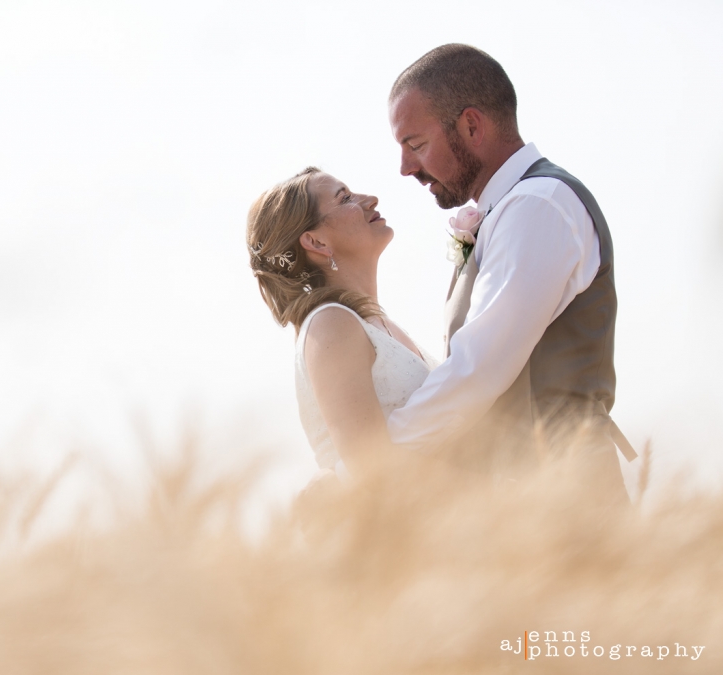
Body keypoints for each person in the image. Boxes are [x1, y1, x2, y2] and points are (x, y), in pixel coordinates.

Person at [386, 44, 634, 500]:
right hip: (524, 502)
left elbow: (478, 367)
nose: (405, 168)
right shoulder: (511, 208)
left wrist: (373, 460)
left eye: (415, 145)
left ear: (472, 126)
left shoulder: (536, 205)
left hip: (563, 497)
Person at [246, 168, 434, 478]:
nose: (370, 200)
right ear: (316, 241)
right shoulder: (330, 325)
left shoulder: (378, 324)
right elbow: (373, 470)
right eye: (345, 198)